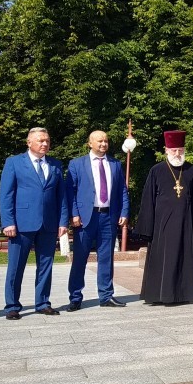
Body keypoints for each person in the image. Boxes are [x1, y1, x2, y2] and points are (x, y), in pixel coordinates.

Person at [0, 127, 69, 320]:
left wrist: (63, 221)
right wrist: (8, 222)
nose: (45, 144)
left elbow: (61, 197)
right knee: (16, 266)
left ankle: (43, 302)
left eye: (47, 140)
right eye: (40, 140)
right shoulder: (14, 163)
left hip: (48, 223)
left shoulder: (55, 164)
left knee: (46, 265)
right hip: (21, 224)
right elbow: (6, 195)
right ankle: (12, 305)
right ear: (29, 142)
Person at [65, 130, 130, 311]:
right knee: (80, 259)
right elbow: (70, 192)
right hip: (85, 218)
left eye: (106, 141)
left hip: (108, 217)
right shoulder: (77, 164)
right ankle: (75, 297)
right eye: (100, 141)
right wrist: (74, 214)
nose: (103, 144)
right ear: (90, 143)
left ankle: (106, 296)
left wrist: (124, 211)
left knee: (106, 258)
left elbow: (122, 191)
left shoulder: (115, 164)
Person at [137, 130, 193, 304]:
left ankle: (183, 294)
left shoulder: (191, 170)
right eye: (174, 150)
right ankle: (160, 295)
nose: (177, 153)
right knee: (163, 258)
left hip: (185, 223)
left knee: (184, 257)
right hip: (162, 225)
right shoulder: (156, 170)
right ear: (166, 150)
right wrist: (147, 227)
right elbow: (148, 199)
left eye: (180, 150)